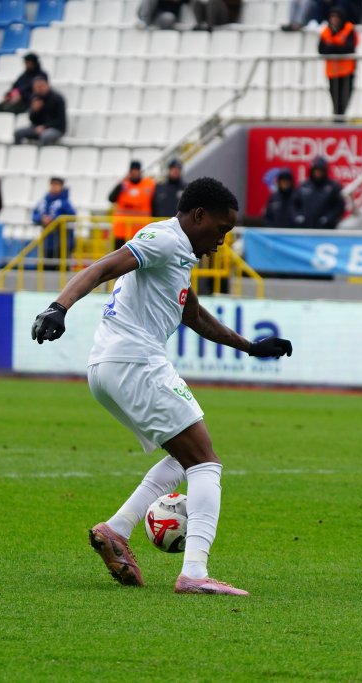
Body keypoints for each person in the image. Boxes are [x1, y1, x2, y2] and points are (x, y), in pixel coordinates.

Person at [30, 177, 292, 595]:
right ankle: (194, 573)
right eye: (220, 230)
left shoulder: (178, 254)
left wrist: (249, 346)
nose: (222, 241)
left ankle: (116, 530)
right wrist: (58, 307)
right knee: (206, 463)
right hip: (136, 361)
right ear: (199, 216)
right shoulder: (164, 239)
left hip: (113, 365)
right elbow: (102, 267)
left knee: (183, 459)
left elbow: (194, 314)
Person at [318, 6, 359, 121]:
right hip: (332, 71)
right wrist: (338, 47)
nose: (334, 20)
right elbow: (321, 49)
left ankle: (341, 117)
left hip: (347, 70)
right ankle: (337, 117)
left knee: (345, 96)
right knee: (334, 97)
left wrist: (332, 47)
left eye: (336, 17)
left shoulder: (349, 29)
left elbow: (349, 47)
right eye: (332, 17)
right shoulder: (326, 31)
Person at [109, 160, 157, 246]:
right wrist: (120, 183)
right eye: (132, 171)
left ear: (140, 172)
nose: (134, 173)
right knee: (120, 255)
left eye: (136, 171)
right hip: (122, 228)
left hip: (141, 229)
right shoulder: (123, 185)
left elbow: (155, 204)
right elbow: (111, 198)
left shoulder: (149, 184)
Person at [13, 78, 67, 147]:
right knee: (18, 133)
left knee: (45, 136)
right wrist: (34, 111)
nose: (39, 90)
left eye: (41, 87)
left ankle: (42, 156)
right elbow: (32, 119)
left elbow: (60, 121)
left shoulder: (57, 98)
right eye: (37, 88)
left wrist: (45, 127)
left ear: (47, 85)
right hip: (37, 127)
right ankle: (18, 153)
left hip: (56, 128)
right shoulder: (35, 98)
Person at [32, 177, 76, 259]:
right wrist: (41, 219)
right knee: (46, 266)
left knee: (62, 266)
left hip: (63, 242)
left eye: (57, 185)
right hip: (47, 241)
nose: (54, 187)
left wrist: (54, 220)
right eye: (52, 184)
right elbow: (34, 214)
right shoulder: (43, 201)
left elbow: (71, 216)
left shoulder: (65, 202)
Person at [298, 156, 345, 229]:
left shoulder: (333, 187)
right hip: (306, 229)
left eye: (320, 170)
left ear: (325, 171)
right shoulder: (304, 186)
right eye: (316, 170)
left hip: (326, 230)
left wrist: (328, 218)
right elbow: (295, 204)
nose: (318, 172)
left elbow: (339, 206)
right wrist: (300, 217)